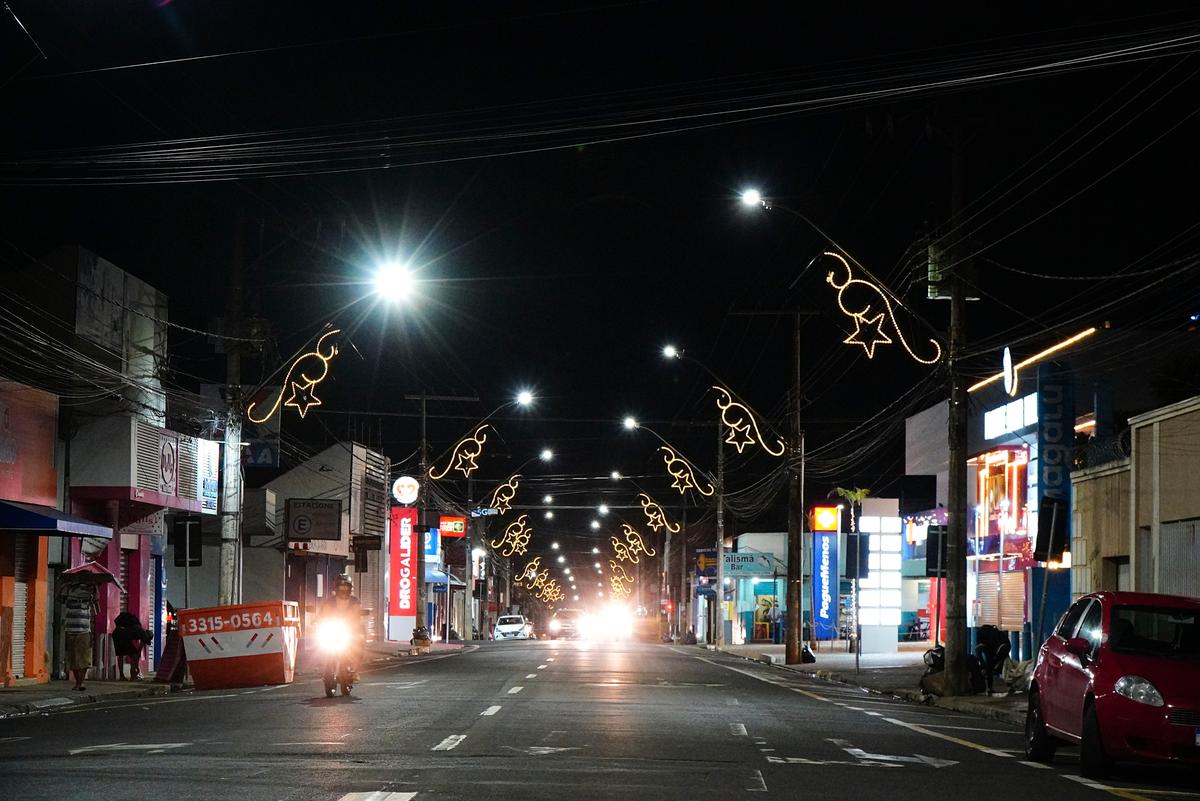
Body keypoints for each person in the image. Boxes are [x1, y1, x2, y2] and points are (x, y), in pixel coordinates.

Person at [62, 583, 97, 691]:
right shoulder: (68, 589)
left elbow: (97, 604)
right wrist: (63, 586)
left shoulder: (89, 590)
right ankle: (78, 682)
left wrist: (95, 589)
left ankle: (81, 682)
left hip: (84, 631)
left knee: (83, 659)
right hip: (70, 630)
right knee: (73, 659)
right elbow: (59, 598)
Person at [112, 611, 151, 681]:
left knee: (121, 655)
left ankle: (121, 676)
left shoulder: (137, 627)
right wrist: (137, 667)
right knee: (134, 656)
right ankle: (133, 676)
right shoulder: (143, 634)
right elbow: (138, 653)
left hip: (116, 633)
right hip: (124, 635)